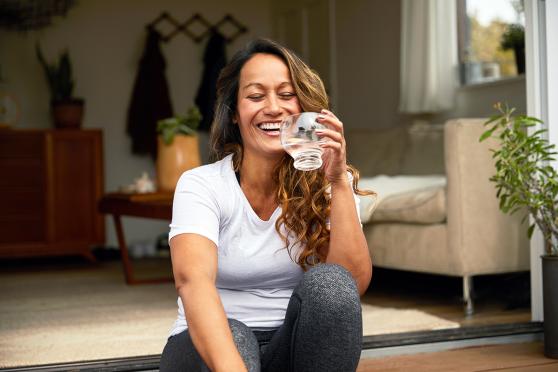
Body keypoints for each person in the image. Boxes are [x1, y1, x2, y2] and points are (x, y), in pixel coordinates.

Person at [159, 38, 373, 372]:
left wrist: (337, 182)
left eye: (286, 95)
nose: (273, 107)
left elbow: (351, 285)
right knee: (236, 335)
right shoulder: (201, 184)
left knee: (331, 283)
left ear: (303, 108)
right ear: (233, 114)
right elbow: (193, 282)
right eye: (256, 96)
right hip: (210, 349)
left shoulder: (330, 181)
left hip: (288, 349)